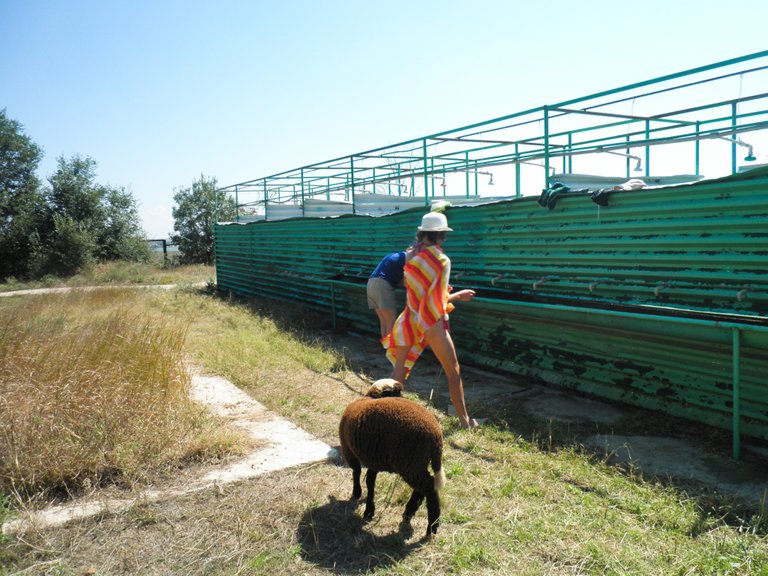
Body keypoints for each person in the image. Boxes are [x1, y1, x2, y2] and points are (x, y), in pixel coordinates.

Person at [382, 211, 479, 429]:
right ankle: (465, 422)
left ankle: (382, 411)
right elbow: (435, 301)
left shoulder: (411, 255)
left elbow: (419, 294)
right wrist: (458, 295)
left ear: (422, 233)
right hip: (431, 321)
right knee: (453, 371)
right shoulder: (442, 260)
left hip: (409, 318)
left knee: (399, 371)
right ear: (442, 235)